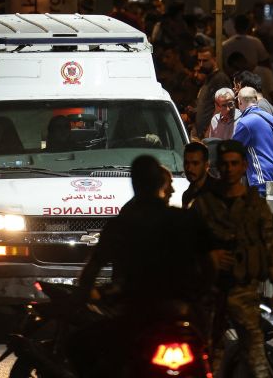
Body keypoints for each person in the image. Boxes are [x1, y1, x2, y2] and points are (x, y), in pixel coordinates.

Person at [75, 155, 216, 375]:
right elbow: (210, 267)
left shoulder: (120, 225)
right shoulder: (186, 219)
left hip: (134, 314)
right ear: (161, 183)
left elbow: (90, 273)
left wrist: (90, 297)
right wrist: (199, 297)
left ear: (134, 183)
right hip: (183, 312)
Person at [193, 141, 273, 377]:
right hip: (212, 292)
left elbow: (270, 249)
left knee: (256, 355)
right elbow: (188, 245)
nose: (229, 169)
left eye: (235, 163)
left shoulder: (256, 206)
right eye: (225, 164)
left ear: (244, 166)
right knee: (211, 356)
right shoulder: (205, 205)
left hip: (245, 291)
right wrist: (209, 256)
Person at [231, 87, 273, 193]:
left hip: (261, 178)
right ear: (256, 99)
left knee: (261, 209)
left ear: (239, 102)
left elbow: (234, 150)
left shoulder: (244, 123)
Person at [193, 47, 233, 138]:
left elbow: (224, 108)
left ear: (214, 59)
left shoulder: (220, 79)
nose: (201, 64)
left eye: (205, 61)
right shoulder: (208, 79)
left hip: (214, 135)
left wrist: (210, 131)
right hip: (203, 135)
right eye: (199, 61)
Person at [182, 141, 211, 208]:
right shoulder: (187, 195)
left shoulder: (218, 192)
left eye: (195, 164)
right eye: (186, 163)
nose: (189, 169)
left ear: (206, 165)